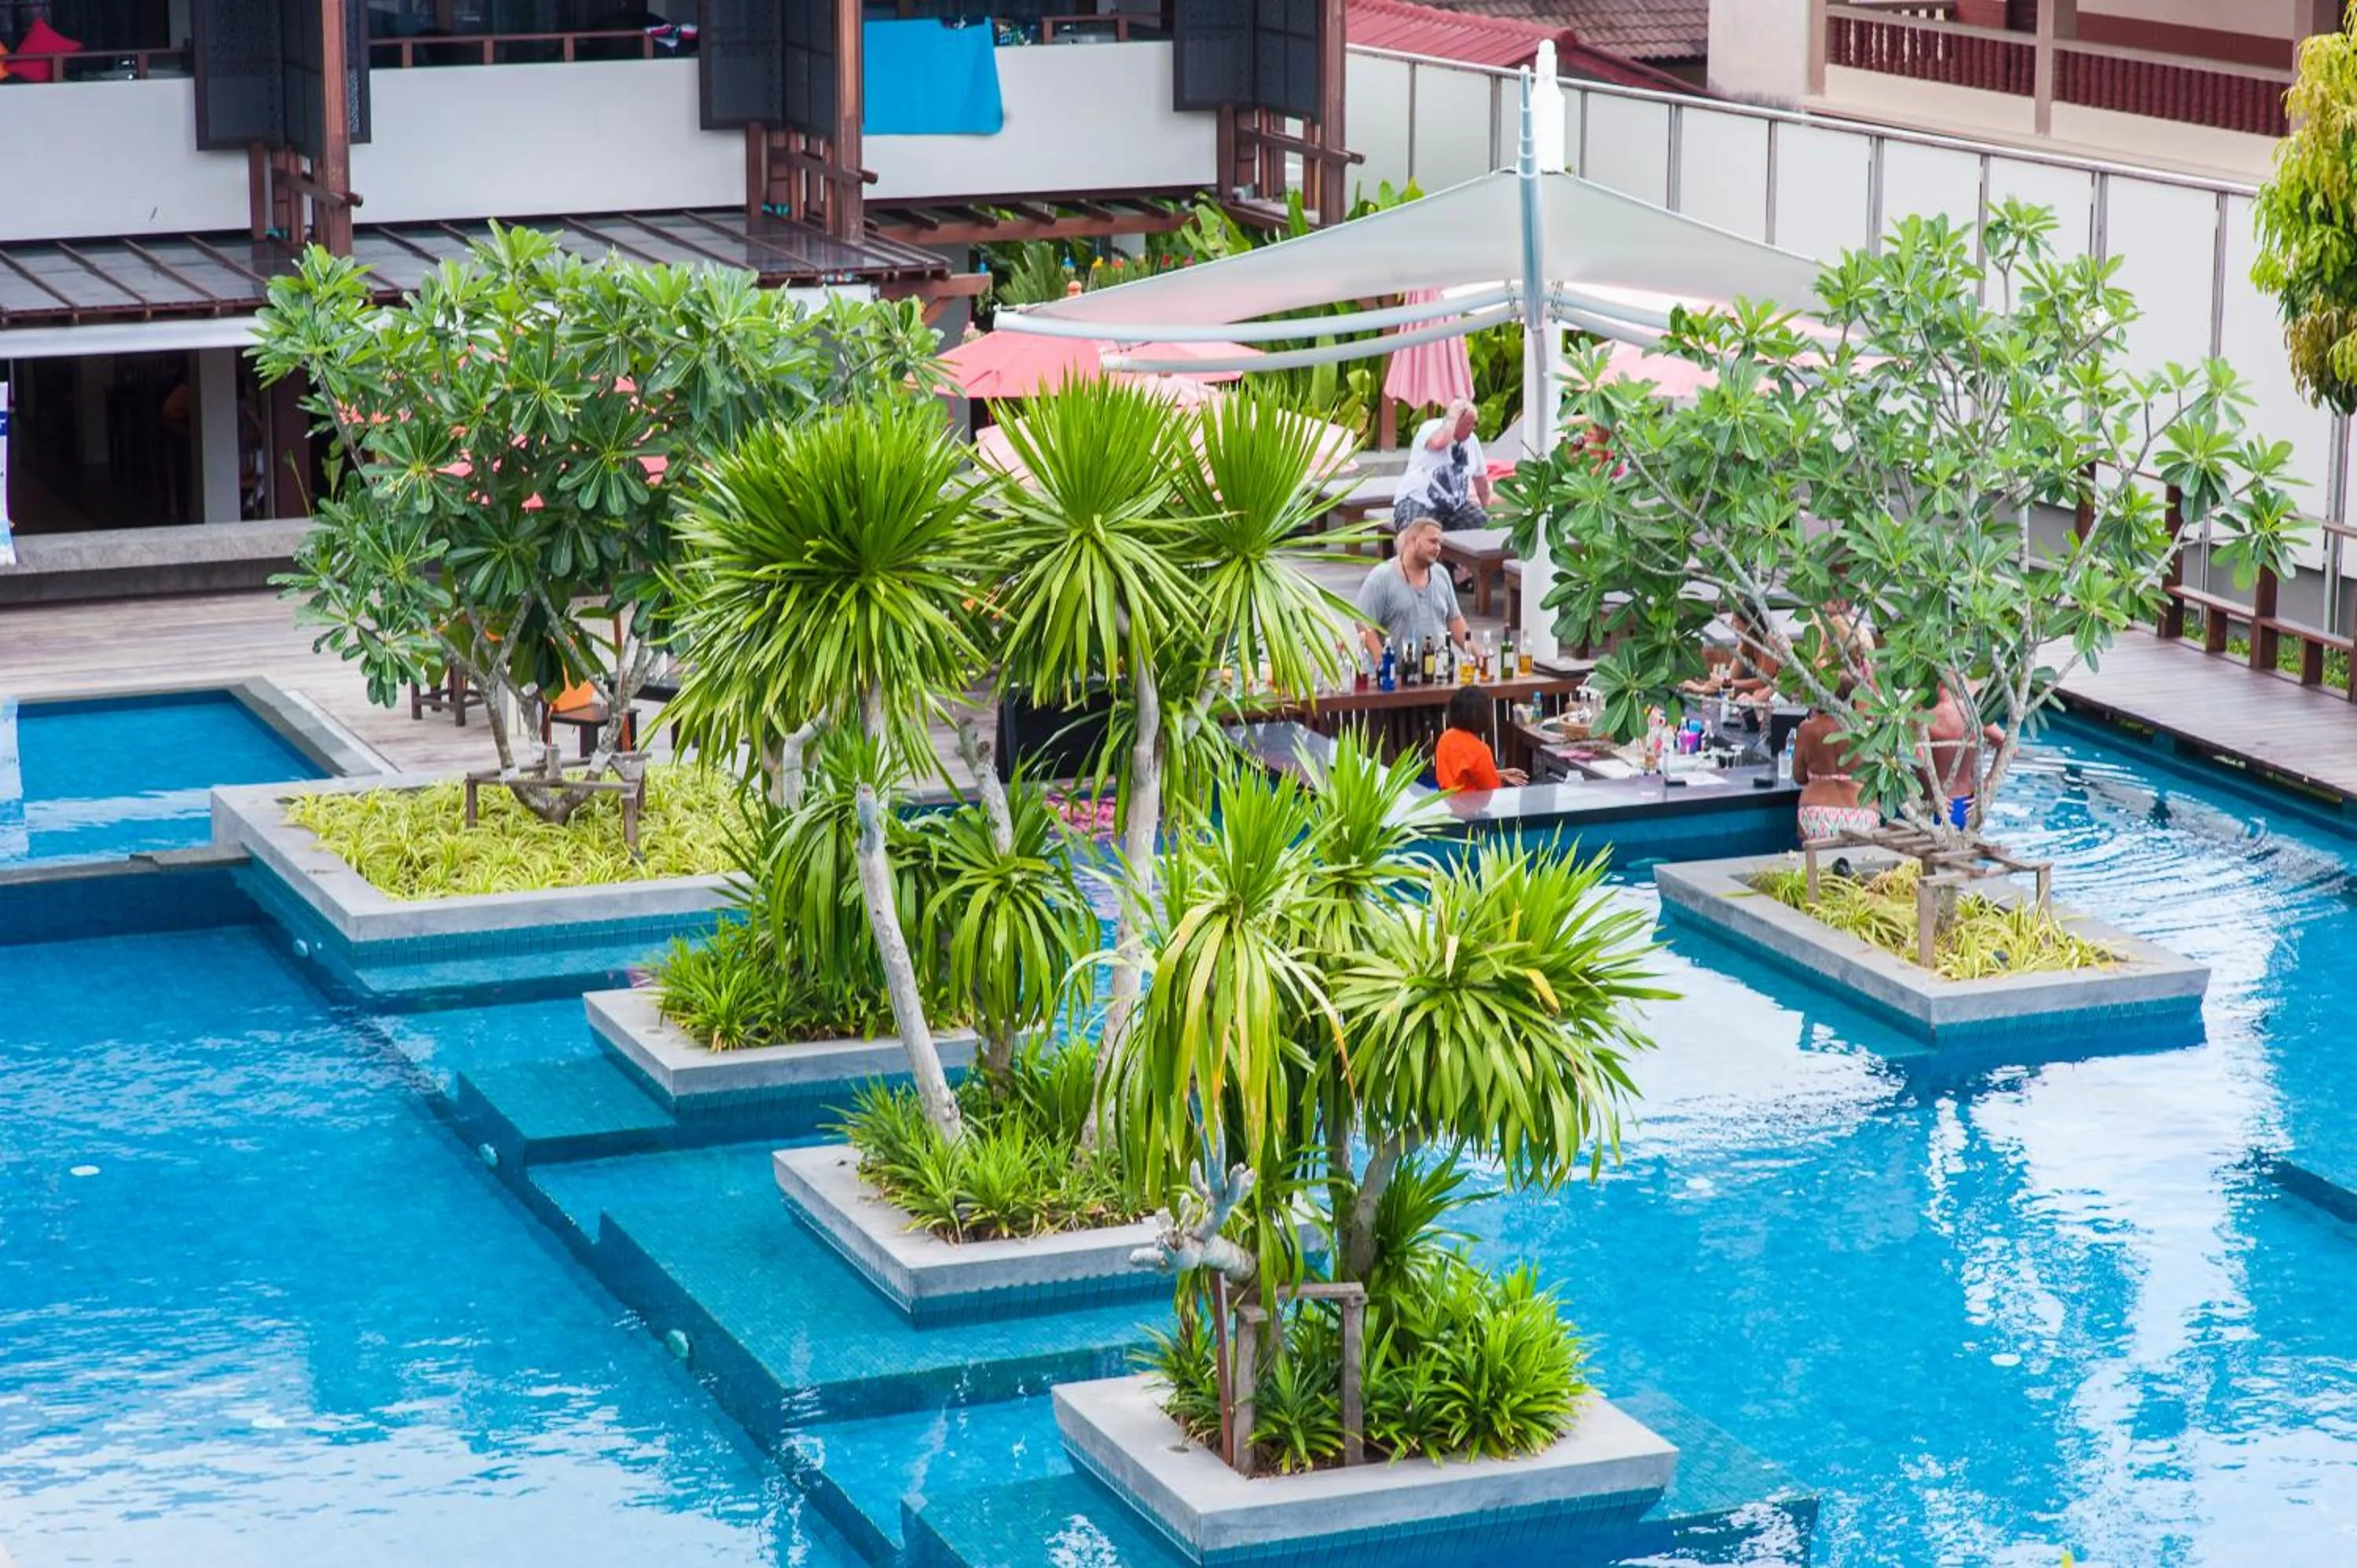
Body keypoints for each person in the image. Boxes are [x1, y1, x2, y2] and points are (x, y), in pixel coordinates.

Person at [1356, 515, 1473, 664]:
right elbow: (1363, 624)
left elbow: (1454, 620)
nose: (1438, 548)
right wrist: (1383, 663)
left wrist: (1477, 656)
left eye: (1440, 543)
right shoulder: (1381, 578)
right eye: (1432, 542)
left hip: (1435, 670)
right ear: (1412, 541)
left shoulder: (1441, 574)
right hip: (1392, 672)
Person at [1792, 681, 1878, 844]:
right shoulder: (1866, 730)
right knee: (1864, 859)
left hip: (1817, 812)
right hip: (1861, 811)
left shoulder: (1807, 729)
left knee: (1814, 859)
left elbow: (1799, 777)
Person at [1391, 398, 1494, 533]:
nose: (1473, 428)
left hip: (1455, 508)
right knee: (1416, 534)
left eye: (1474, 424)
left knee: (1486, 526)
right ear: (1456, 421)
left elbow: (1481, 481)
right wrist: (1452, 416)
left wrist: (1489, 510)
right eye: (1469, 424)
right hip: (1418, 501)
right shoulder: (1431, 428)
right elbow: (1438, 443)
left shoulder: (1472, 440)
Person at [1923, 681, 2005, 829]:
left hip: (1940, 802)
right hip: (1968, 803)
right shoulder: (1975, 712)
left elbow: (1919, 761)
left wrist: (1932, 793)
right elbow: (2008, 745)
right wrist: (1988, 782)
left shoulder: (1927, 715)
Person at [1435, 684, 1527, 790]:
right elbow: (1491, 788)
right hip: (1471, 800)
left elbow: (1461, 777)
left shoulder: (1445, 738)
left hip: (1445, 799)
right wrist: (1497, 777)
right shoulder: (1480, 750)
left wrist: (1500, 774)